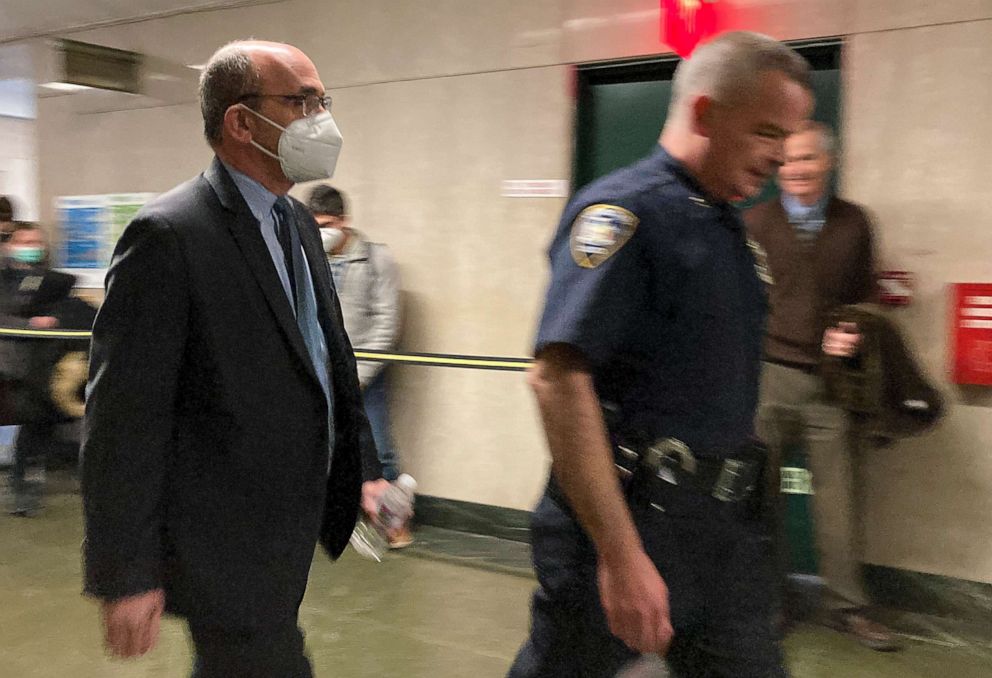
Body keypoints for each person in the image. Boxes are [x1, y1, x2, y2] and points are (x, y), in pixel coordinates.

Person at [507, 31, 813, 678]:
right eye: (766, 133)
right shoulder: (627, 214)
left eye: (787, 138)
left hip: (723, 537)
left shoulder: (729, 228)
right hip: (635, 523)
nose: (780, 158)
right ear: (704, 113)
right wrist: (621, 558)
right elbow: (558, 381)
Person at [81, 40, 389, 678]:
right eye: (299, 101)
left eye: (322, 101)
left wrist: (363, 468)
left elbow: (326, 357)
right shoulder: (169, 236)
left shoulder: (297, 223)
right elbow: (122, 419)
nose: (318, 118)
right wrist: (126, 573)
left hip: (287, 525)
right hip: (221, 538)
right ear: (241, 121)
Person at [744, 121, 899, 651]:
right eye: (786, 162)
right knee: (760, 497)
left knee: (837, 499)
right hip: (769, 377)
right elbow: (737, 301)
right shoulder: (754, 223)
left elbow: (865, 296)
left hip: (832, 385)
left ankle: (848, 608)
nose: (796, 171)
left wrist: (853, 328)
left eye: (807, 160)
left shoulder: (855, 223)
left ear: (827, 163)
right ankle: (770, 601)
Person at [306, 185, 411, 548]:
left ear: (345, 221)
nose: (323, 231)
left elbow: (386, 323)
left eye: (329, 223)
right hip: (321, 372)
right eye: (315, 224)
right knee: (322, 446)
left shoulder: (375, 259)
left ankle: (394, 523)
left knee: (377, 447)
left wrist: (356, 376)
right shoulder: (308, 261)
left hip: (365, 374)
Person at [1, 222, 78, 515]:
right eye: (24, 240)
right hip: (11, 364)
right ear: (10, 244)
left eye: (36, 240)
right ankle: (23, 486)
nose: (32, 246)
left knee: (40, 422)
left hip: (43, 362)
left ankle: (27, 487)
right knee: (29, 419)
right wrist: (30, 323)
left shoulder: (52, 281)